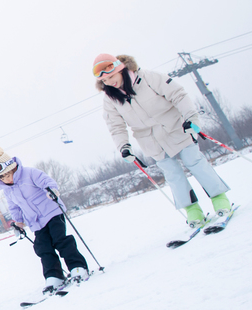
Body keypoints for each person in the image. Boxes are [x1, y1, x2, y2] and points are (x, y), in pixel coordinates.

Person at [94, 53, 232, 229]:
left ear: (120, 69)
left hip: (176, 129)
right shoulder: (110, 99)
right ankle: (193, 211)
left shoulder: (149, 78)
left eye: (111, 76)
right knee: (173, 175)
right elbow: (115, 126)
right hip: (152, 142)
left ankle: (220, 199)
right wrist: (124, 147)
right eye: (104, 81)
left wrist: (192, 119)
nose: (109, 82)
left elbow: (179, 95)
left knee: (195, 162)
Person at [0, 145, 89, 294]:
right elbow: (14, 207)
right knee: (43, 249)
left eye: (7, 174)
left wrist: (52, 191)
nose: (6, 179)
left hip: (51, 212)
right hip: (35, 222)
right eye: (1, 177)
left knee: (60, 241)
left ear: (13, 168)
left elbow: (46, 181)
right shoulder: (7, 189)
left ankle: (77, 268)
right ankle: (54, 277)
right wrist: (19, 222)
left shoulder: (29, 173)